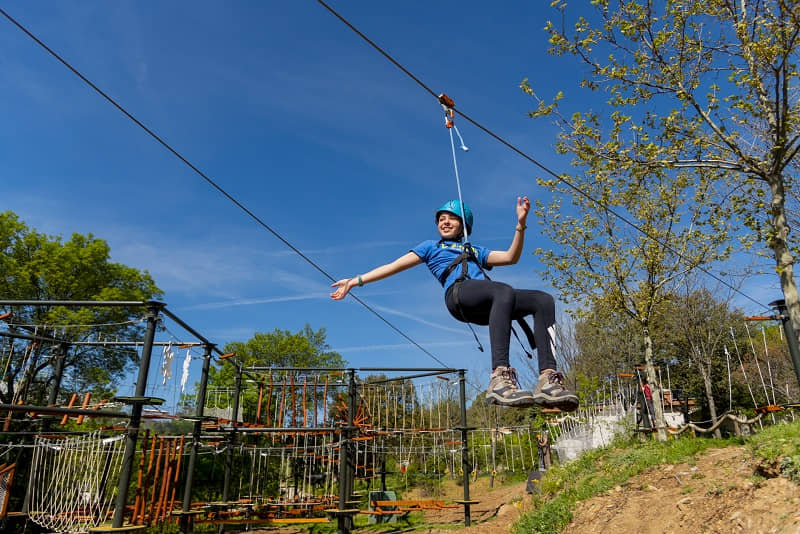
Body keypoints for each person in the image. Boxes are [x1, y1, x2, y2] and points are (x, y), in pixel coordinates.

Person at [330, 197, 578, 411]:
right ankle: (500, 377)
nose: (444, 222)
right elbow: (392, 267)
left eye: (451, 218)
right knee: (503, 289)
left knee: (542, 300)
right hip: (459, 295)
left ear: (464, 225)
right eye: (441, 219)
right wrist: (355, 281)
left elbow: (511, 257)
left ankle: (548, 379)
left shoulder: (474, 249)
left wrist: (521, 224)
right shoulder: (430, 247)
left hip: (491, 301)